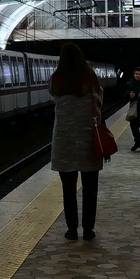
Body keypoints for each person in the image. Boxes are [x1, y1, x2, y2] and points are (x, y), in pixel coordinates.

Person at [48, 43, 103, 241]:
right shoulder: (90, 77)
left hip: (64, 140)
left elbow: (53, 96)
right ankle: (88, 230)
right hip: (88, 139)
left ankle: (72, 230)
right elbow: (98, 101)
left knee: (68, 189)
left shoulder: (56, 79)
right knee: (90, 189)